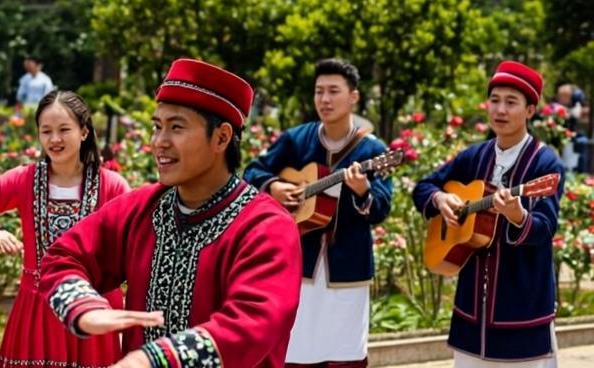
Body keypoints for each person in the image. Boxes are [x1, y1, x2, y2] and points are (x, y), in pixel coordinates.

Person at [40, 58, 302, 367]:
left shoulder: (266, 227)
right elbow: (62, 257)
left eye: (176, 127)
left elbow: (251, 325)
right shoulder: (143, 208)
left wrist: (151, 360)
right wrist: (83, 307)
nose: (159, 142)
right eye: (156, 127)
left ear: (221, 137)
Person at [0, 90, 131, 367]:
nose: (54, 139)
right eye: (46, 131)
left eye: (64, 130)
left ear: (84, 132)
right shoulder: (24, 180)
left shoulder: (112, 186)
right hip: (37, 310)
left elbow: (135, 244)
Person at [413, 61, 564, 367]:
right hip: (471, 309)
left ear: (531, 111)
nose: (501, 110)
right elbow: (423, 187)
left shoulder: (545, 163)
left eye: (511, 102)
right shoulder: (474, 156)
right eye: (495, 100)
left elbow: (545, 227)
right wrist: (440, 197)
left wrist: (517, 215)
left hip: (522, 310)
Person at [244, 58, 391, 368]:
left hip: (348, 267)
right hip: (299, 262)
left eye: (333, 91)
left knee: (345, 354)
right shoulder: (296, 139)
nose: (324, 99)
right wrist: (273, 186)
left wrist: (363, 191)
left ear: (353, 96)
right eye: (319, 91)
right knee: (295, 350)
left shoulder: (373, 151)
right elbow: (252, 170)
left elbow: (381, 207)